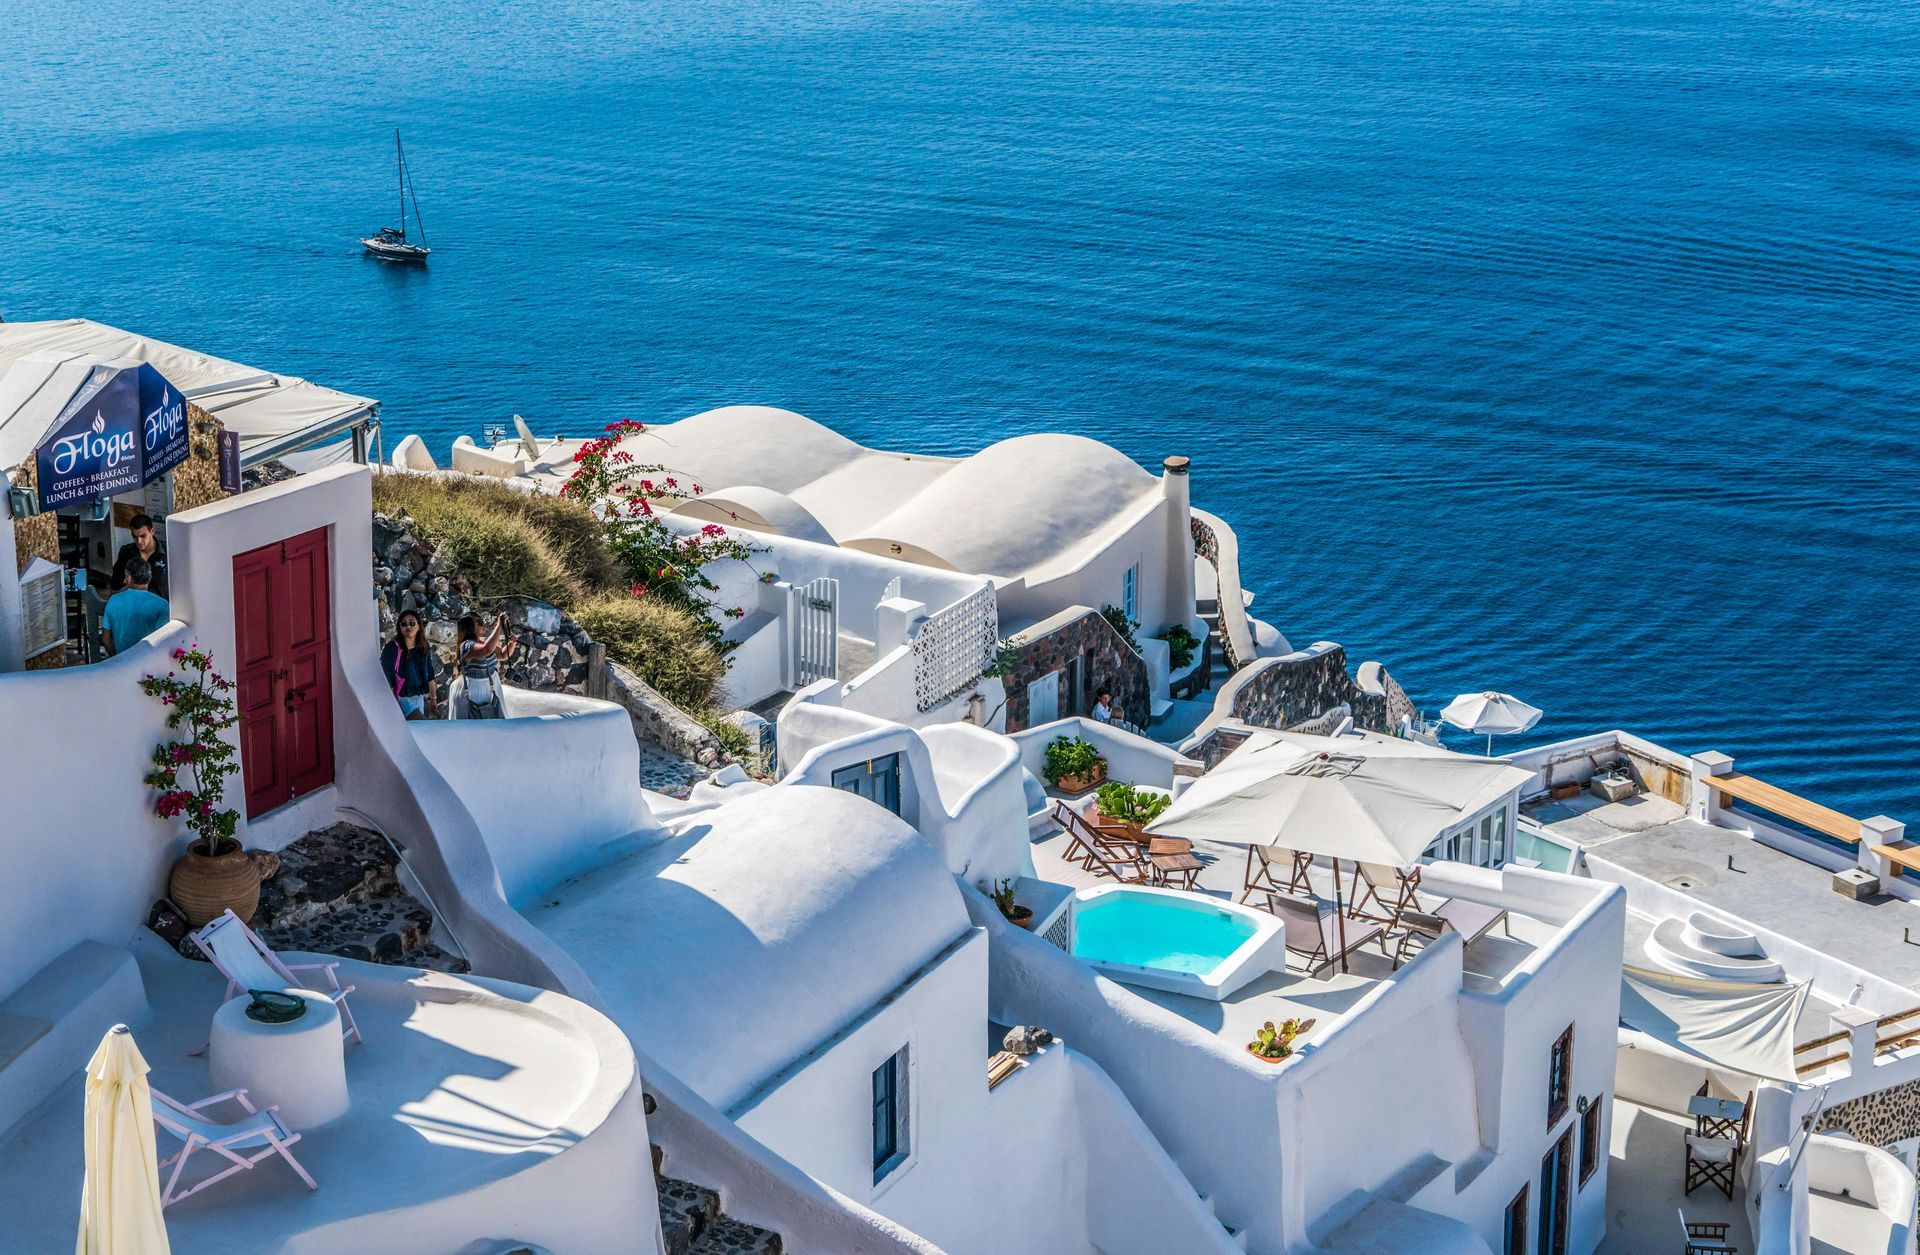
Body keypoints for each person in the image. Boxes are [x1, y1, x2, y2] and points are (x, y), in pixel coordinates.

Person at [101, 558, 170, 655]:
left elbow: (105, 639)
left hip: (122, 660)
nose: (124, 581)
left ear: (129, 578)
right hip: (149, 660)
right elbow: (163, 640)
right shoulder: (162, 604)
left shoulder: (113, 600)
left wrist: (117, 657)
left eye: (126, 577)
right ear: (149, 577)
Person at [453, 612, 514, 719]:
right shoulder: (466, 646)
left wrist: (512, 643)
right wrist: (499, 625)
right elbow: (487, 649)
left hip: (491, 685)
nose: (483, 624)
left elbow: (503, 655)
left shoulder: (485, 640)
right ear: (469, 627)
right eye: (479, 622)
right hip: (474, 689)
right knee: (474, 720)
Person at [381, 610, 440, 719]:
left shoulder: (423, 646)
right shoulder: (393, 647)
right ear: (400, 628)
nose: (408, 626)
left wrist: (433, 699)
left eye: (412, 623)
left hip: (419, 697)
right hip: (402, 698)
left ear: (419, 626)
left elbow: (430, 674)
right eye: (404, 624)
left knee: (415, 728)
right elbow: (386, 675)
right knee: (422, 726)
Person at [112, 514, 169, 599]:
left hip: (159, 605)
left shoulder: (168, 553)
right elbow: (115, 584)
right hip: (133, 603)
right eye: (134, 536)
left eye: (143, 536)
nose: (139, 541)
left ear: (152, 531)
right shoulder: (126, 552)